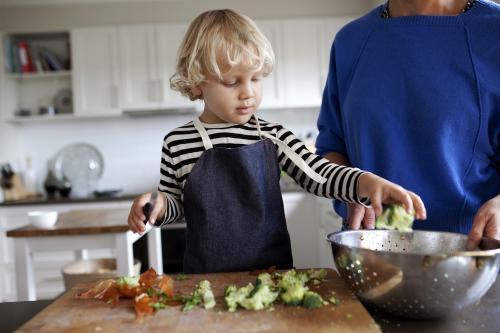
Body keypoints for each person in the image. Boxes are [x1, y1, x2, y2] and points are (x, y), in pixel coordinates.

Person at [128, 9, 426, 274]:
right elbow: (175, 204)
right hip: (206, 280)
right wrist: (154, 205)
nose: (249, 92)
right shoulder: (178, 142)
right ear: (196, 83)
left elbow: (320, 176)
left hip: (273, 277)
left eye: (256, 78)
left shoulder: (272, 136)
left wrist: (367, 183)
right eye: (233, 82)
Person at [316, 0, 500, 250]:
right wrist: (351, 187)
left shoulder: (493, 31)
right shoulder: (350, 41)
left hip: (472, 259)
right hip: (369, 257)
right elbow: (331, 150)